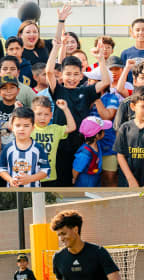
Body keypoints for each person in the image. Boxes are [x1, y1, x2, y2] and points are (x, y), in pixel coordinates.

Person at [47, 24, 110, 186]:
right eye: (68, 74)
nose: (72, 78)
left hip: (81, 144)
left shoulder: (87, 91)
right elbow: (48, 72)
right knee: (62, 179)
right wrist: (57, 47)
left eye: (76, 74)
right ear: (61, 74)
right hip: (60, 143)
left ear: (82, 74)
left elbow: (105, 81)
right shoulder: (58, 90)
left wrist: (101, 59)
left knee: (79, 179)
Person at [115, 87, 144, 187]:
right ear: (133, 106)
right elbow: (120, 155)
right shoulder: (125, 128)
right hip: (127, 181)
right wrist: (130, 179)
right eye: (143, 106)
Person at [0, 107, 51, 187]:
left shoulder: (38, 148)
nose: (22, 129)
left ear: (33, 128)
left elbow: (45, 170)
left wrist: (30, 179)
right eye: (18, 125)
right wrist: (10, 179)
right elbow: (1, 169)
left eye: (26, 126)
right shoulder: (8, 148)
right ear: (12, 127)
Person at [31, 97, 76, 187]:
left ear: (51, 115)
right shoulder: (28, 128)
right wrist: (16, 109)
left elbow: (72, 127)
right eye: (39, 114)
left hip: (49, 176)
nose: (42, 118)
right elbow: (12, 127)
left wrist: (65, 109)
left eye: (46, 114)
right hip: (31, 176)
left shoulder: (55, 129)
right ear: (32, 114)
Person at [73, 117, 109, 187]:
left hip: (95, 178)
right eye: (103, 130)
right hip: (85, 182)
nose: (105, 131)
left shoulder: (98, 144)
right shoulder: (84, 153)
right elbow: (76, 169)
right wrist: (74, 178)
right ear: (97, 135)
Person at [0, 75, 20, 148]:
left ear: (18, 90)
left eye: (12, 87)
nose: (8, 91)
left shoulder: (22, 108)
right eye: (4, 88)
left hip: (17, 148)